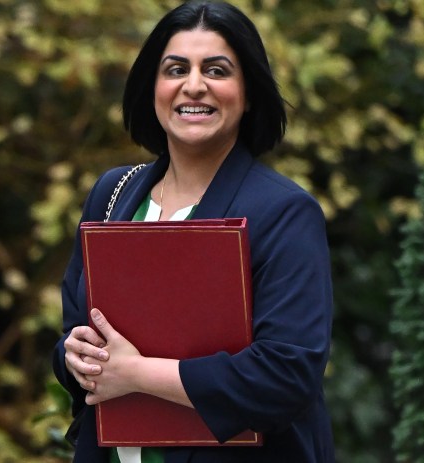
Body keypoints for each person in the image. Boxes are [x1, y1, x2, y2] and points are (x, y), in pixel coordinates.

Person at [52, 1, 335, 462]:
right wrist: (74, 355)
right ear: (153, 88)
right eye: (176, 68)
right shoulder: (113, 194)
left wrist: (138, 374)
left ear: (247, 93)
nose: (195, 85)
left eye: (217, 70)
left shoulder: (284, 212)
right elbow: (71, 331)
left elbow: (286, 376)